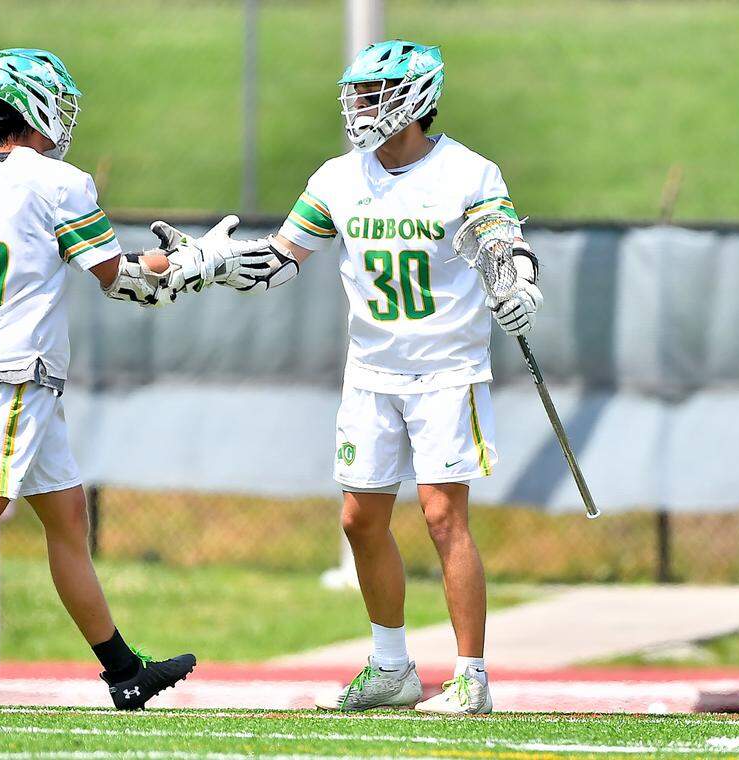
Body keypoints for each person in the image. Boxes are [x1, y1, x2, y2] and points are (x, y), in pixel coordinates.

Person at [0, 48, 266, 709]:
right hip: (18, 374)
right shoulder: (58, 182)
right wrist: (199, 263)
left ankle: (124, 670)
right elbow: (123, 280)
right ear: (37, 105)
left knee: (67, 517)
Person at [214, 40, 542, 715]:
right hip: (370, 374)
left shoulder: (468, 172)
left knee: (443, 516)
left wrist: (520, 286)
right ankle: (391, 668)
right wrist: (215, 264)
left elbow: (506, 245)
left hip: (448, 370)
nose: (360, 108)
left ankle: (471, 677)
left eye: (374, 94)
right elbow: (283, 255)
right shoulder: (339, 177)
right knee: (360, 519)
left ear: (416, 98)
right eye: (359, 95)